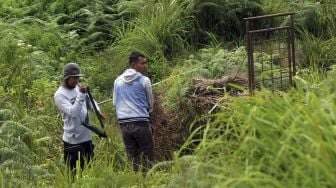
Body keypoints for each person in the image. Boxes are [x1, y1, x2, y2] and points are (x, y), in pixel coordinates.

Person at [54, 62, 105, 174]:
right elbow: (73, 112)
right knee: (75, 174)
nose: (77, 81)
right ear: (66, 78)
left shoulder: (77, 87)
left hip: (86, 136)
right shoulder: (59, 95)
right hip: (73, 140)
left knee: (89, 170)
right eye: (74, 78)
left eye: (78, 78)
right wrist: (81, 94)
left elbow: (90, 101)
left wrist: (97, 110)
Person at [113, 51, 154, 172]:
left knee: (132, 157)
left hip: (124, 125)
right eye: (143, 63)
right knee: (148, 155)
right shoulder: (144, 80)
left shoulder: (117, 81)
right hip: (141, 123)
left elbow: (115, 103)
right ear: (134, 64)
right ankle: (150, 180)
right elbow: (150, 103)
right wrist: (147, 112)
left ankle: (136, 181)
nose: (145, 65)